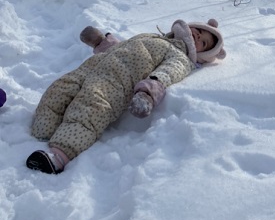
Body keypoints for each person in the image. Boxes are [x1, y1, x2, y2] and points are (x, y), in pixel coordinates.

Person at [26, 18, 225, 174]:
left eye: (204, 43)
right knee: (59, 89)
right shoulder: (154, 37)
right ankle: (42, 131)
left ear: (202, 56)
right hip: (91, 68)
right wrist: (100, 41)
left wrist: (147, 93)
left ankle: (59, 155)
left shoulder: (180, 58)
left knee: (89, 110)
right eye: (198, 32)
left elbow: (166, 74)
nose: (198, 37)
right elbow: (121, 47)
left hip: (115, 84)